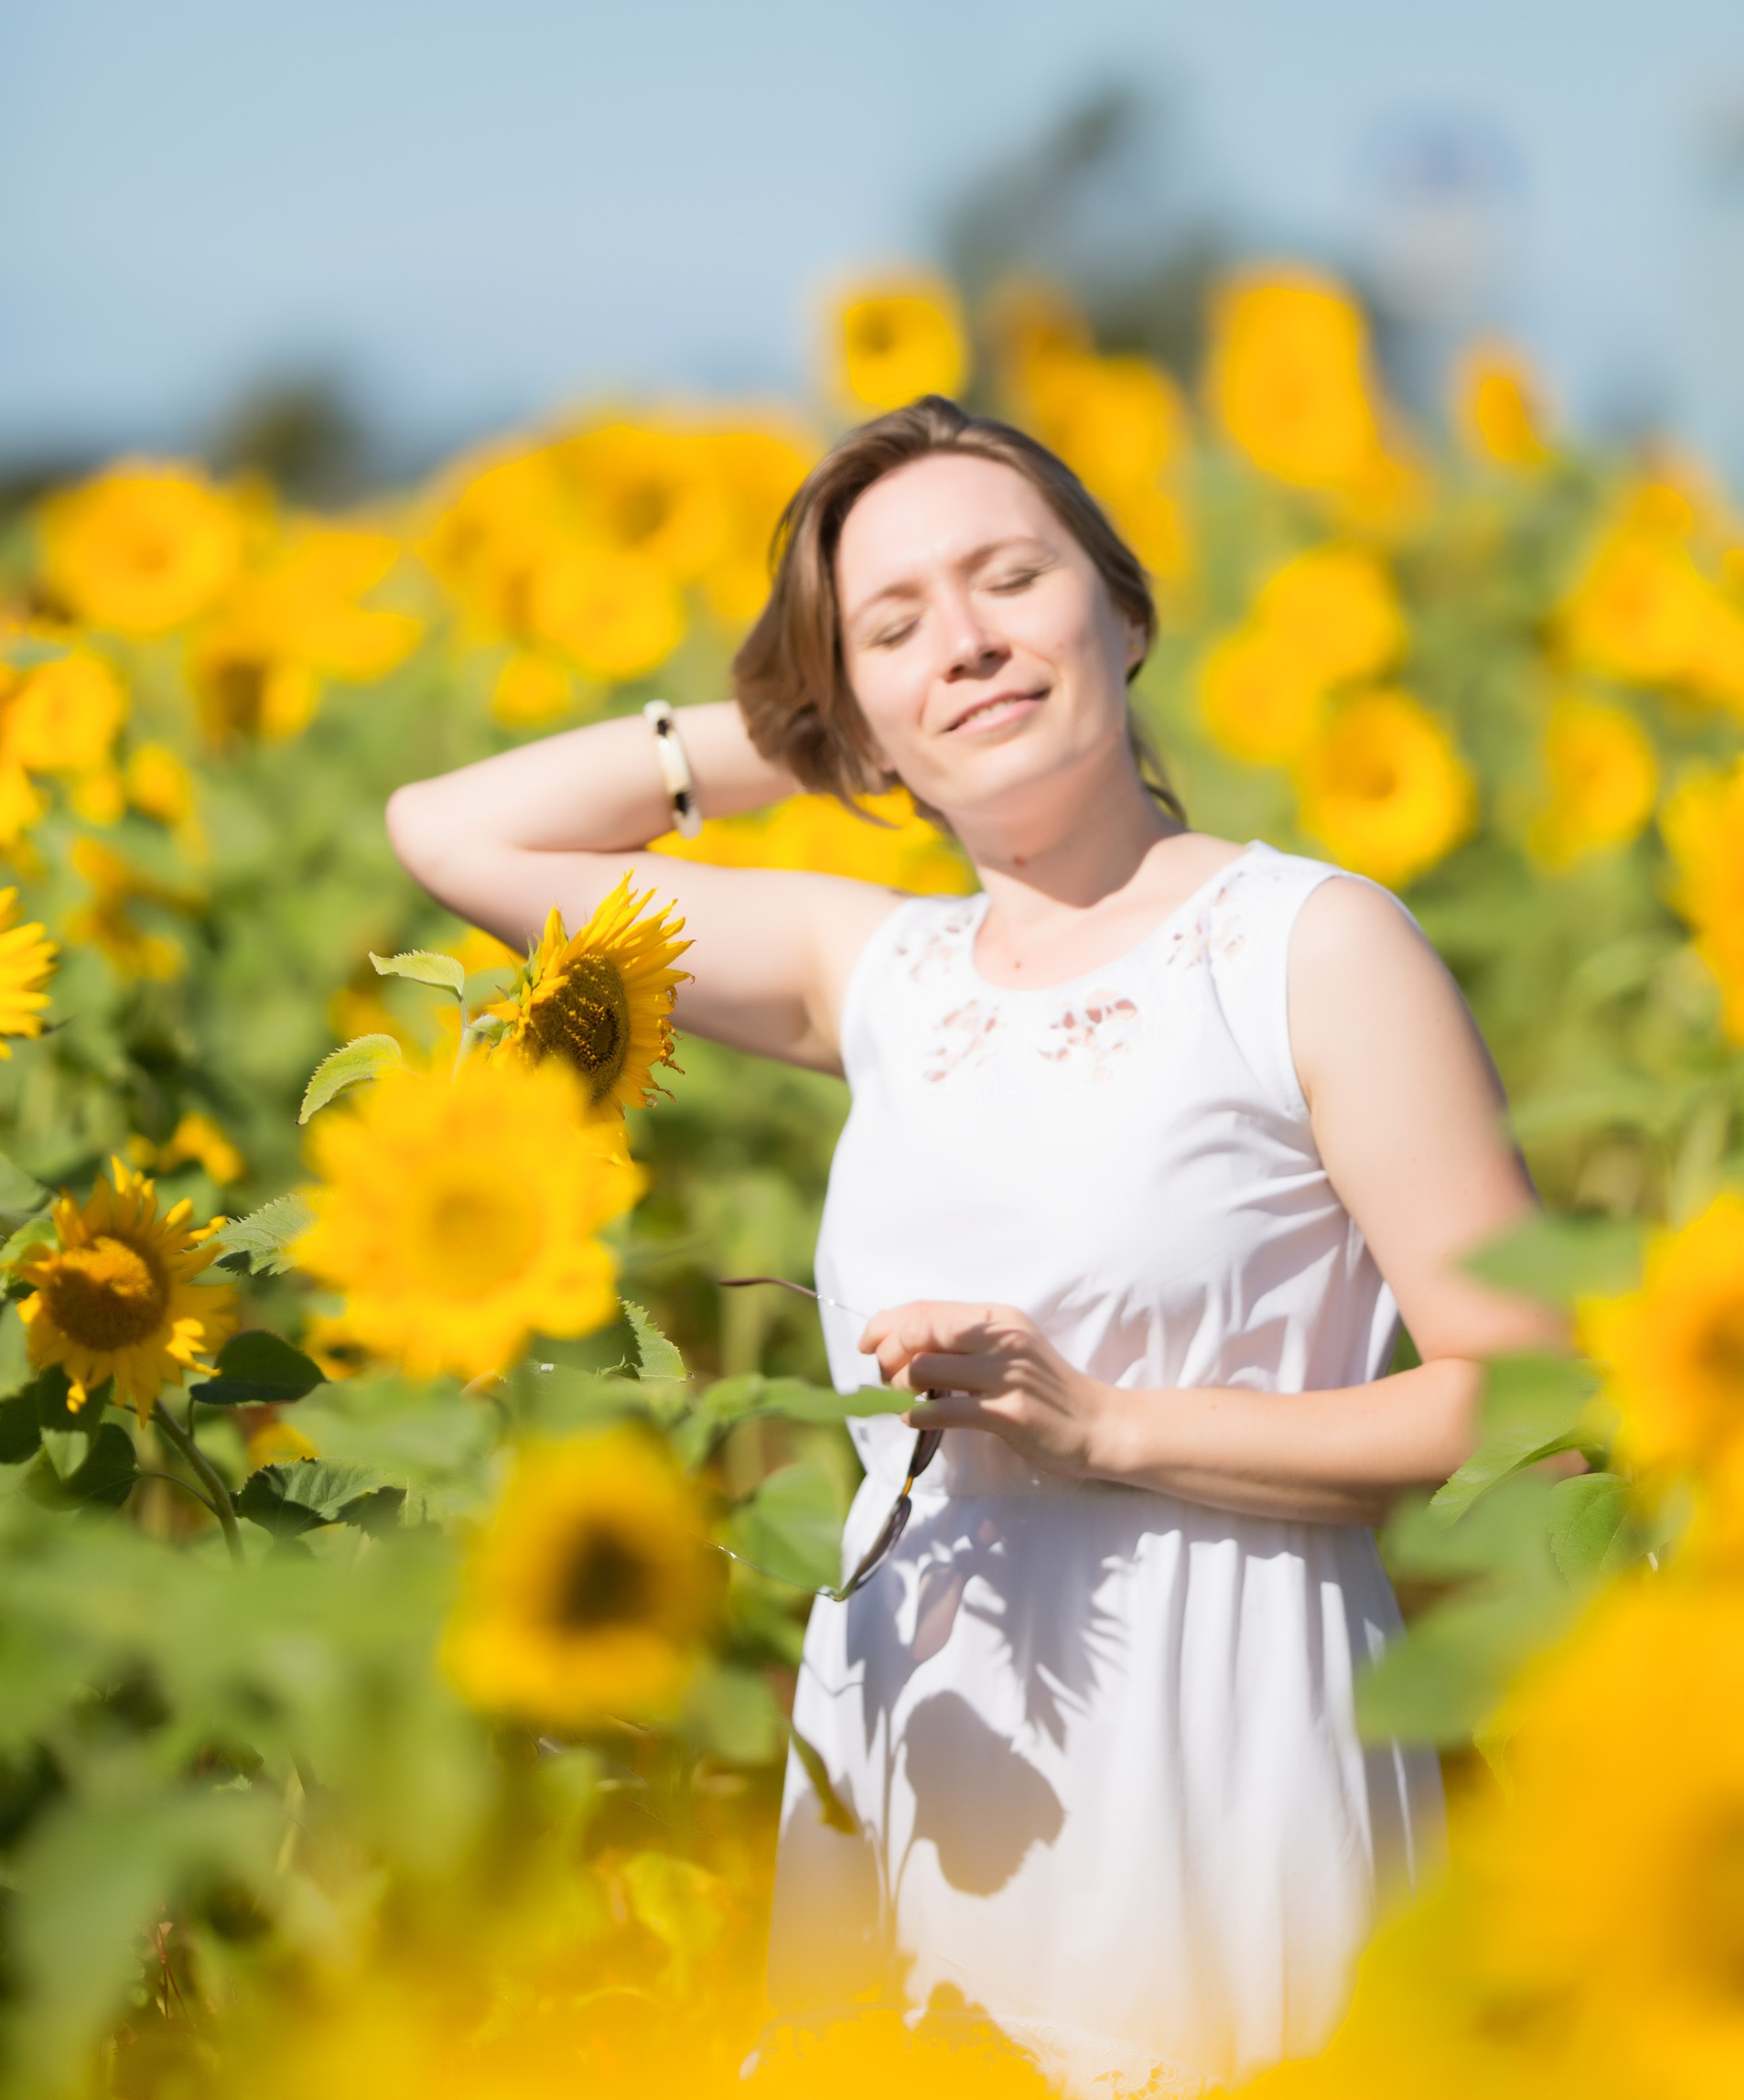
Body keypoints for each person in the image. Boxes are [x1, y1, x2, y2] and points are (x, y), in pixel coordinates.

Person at [385, 395, 1555, 2096]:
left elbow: (1522, 1391)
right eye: (896, 619)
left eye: (1012, 578)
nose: (971, 638)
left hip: (1213, 1731)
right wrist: (829, 724)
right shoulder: (869, 969)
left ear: (1122, 610)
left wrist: (1117, 1427)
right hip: (912, 1741)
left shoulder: (1304, 947)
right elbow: (453, 834)